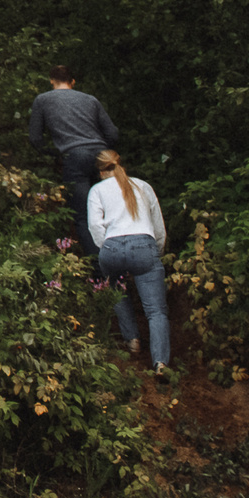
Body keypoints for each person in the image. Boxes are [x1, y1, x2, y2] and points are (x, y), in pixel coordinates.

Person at [89, 149, 171, 374]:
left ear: (100, 171)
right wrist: (157, 253)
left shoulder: (97, 190)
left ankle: (132, 340)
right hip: (144, 245)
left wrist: (105, 247)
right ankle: (161, 363)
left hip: (111, 247)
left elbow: (95, 227)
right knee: (156, 311)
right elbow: (158, 227)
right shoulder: (142, 186)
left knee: (115, 287)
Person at [27, 65, 119, 255]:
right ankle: (121, 265)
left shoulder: (42, 100)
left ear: (51, 80)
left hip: (74, 157)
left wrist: (56, 155)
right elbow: (113, 133)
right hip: (102, 156)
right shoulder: (90, 100)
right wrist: (104, 149)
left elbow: (35, 138)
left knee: (84, 216)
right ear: (73, 82)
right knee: (110, 212)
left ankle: (100, 272)